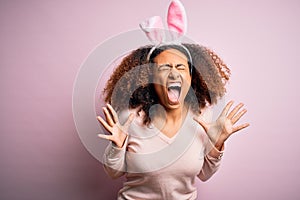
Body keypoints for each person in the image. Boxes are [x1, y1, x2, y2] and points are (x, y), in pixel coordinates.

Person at [97, 1, 249, 199]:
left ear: (191, 77)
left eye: (180, 68)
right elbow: (113, 173)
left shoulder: (202, 118)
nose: (173, 74)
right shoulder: (130, 118)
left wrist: (217, 144)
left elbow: (204, 174)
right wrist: (117, 147)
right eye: (164, 68)